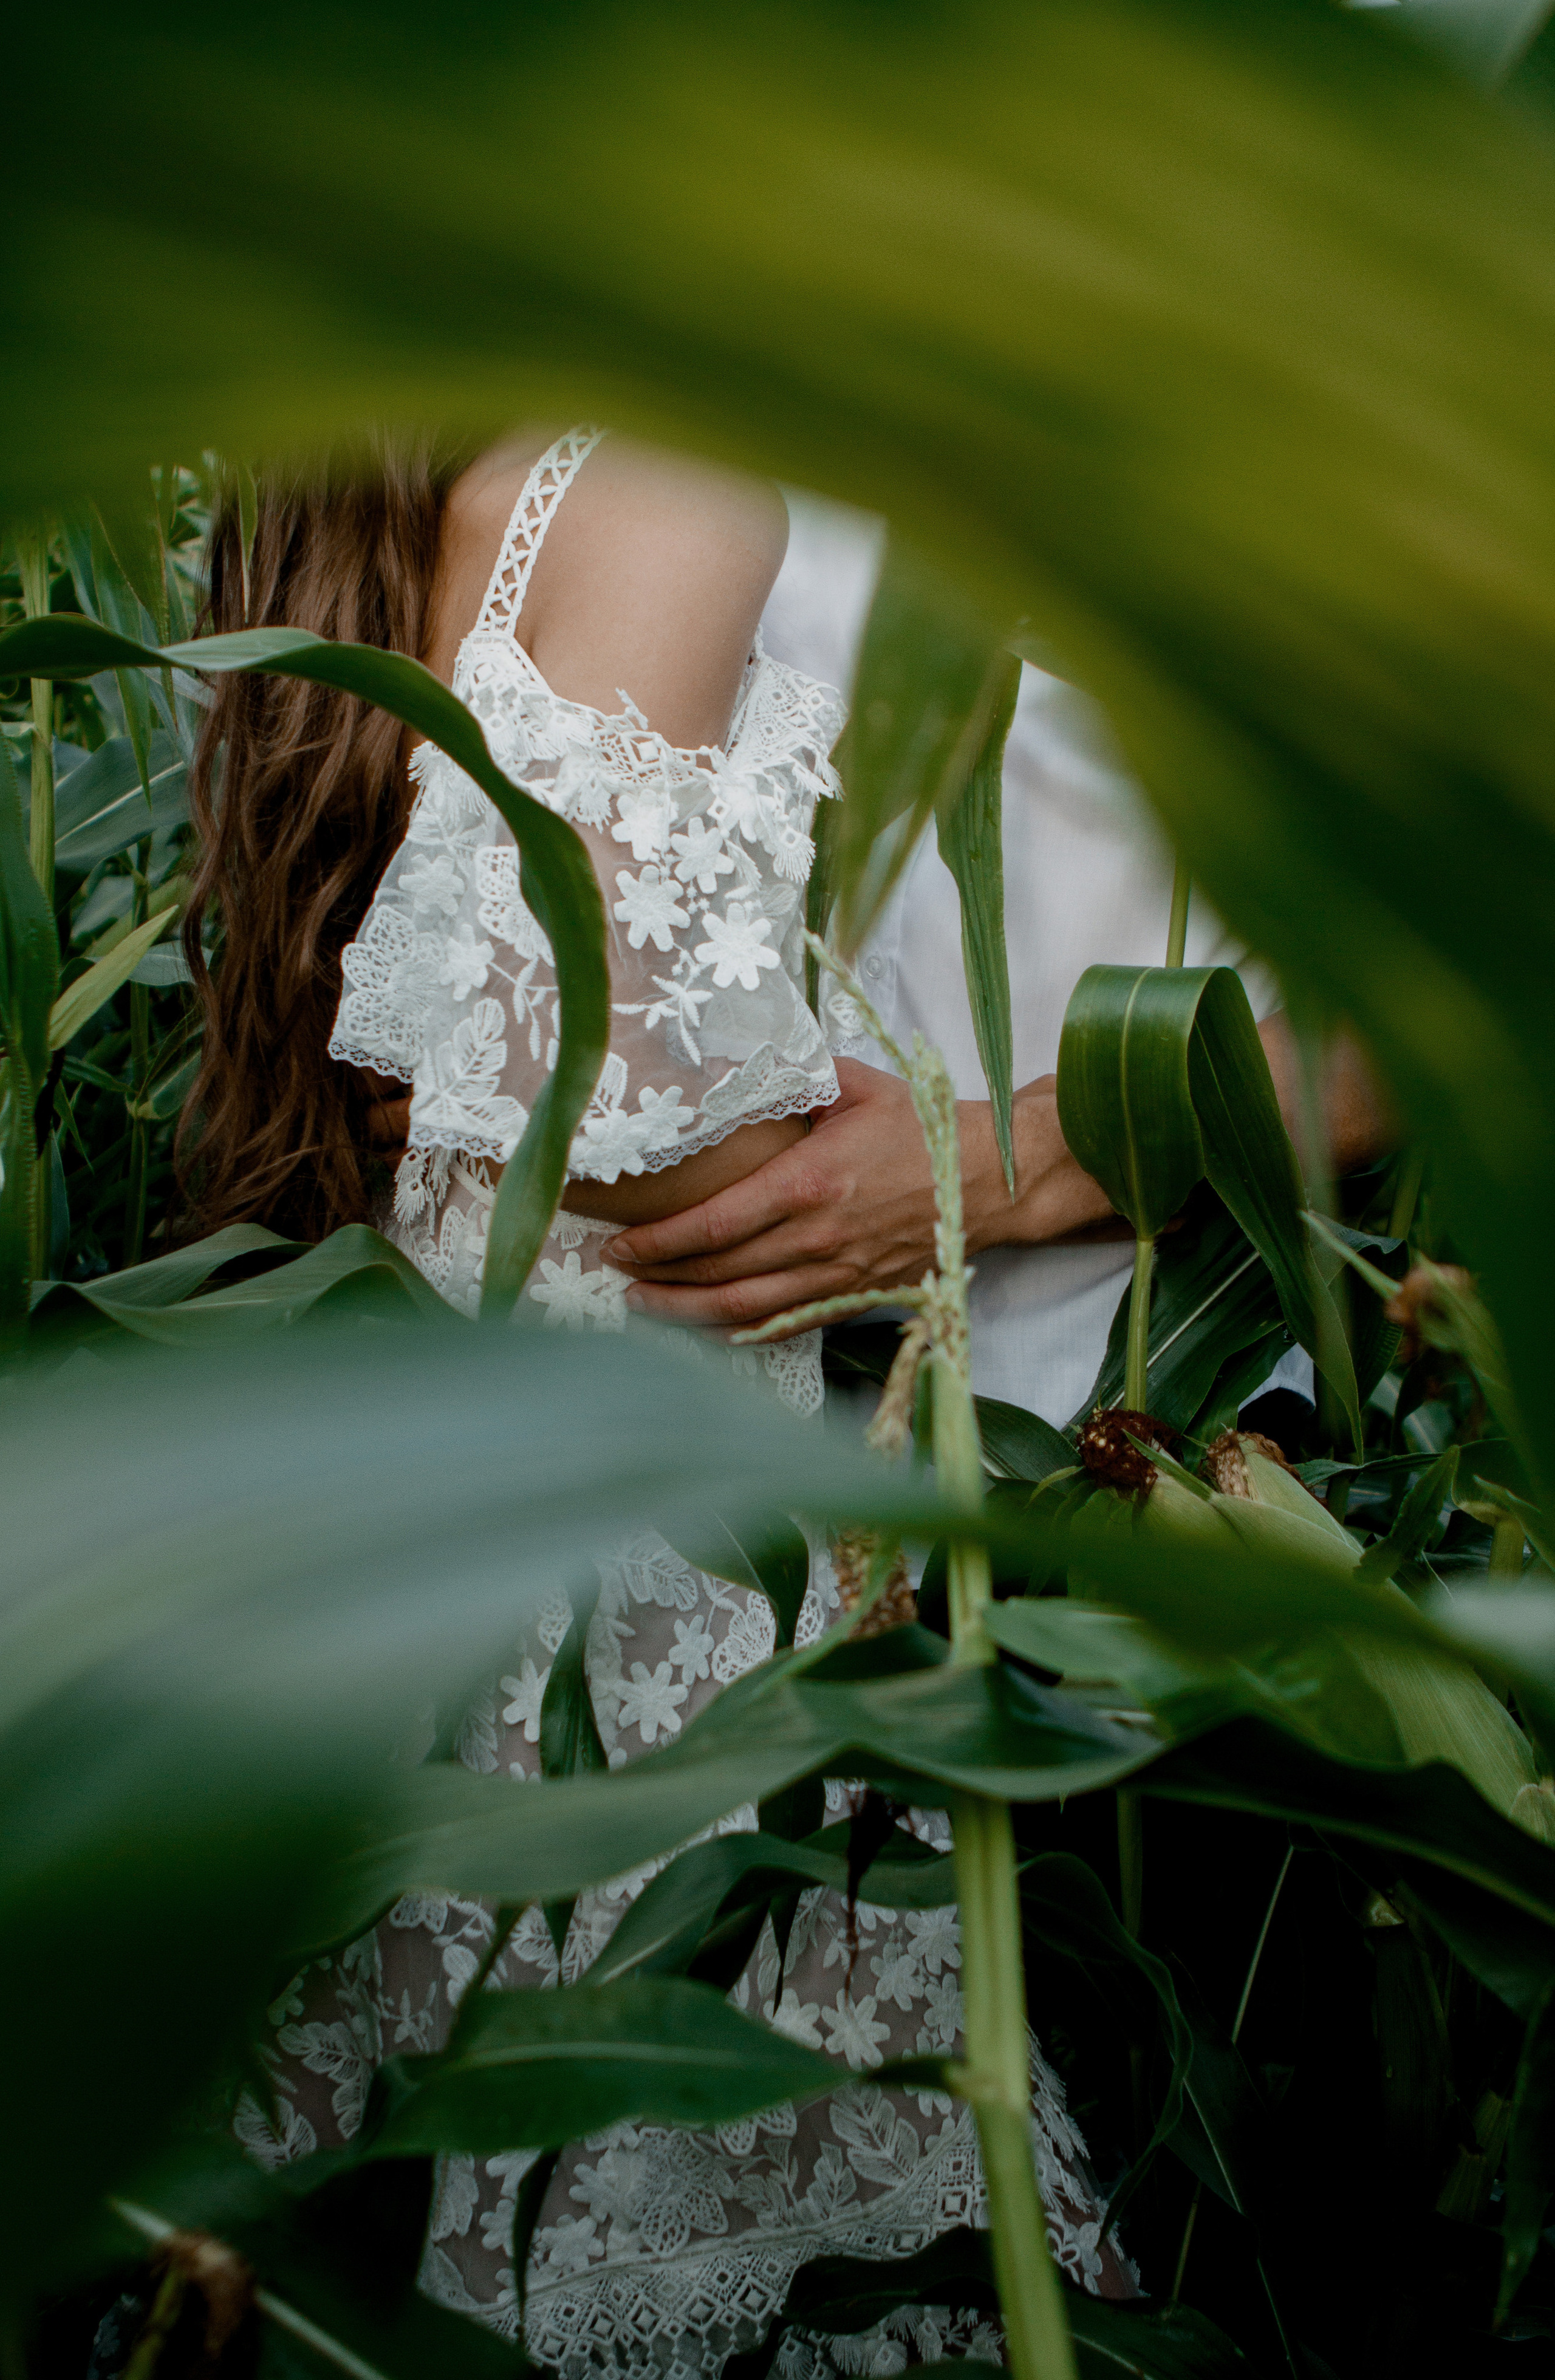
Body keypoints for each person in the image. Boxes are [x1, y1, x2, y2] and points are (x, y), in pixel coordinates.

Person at [186, 428, 1136, 2375]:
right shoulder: (671, 485)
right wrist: (898, 1132)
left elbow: (462, 1077)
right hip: (671, 1554)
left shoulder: (436, 511)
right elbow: (624, 1139)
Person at [600, 491, 1390, 1431]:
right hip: (707, 1433)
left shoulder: (1296, 451)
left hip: (1140, 1396)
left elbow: (1454, 1026)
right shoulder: (651, 425)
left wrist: (999, 1168)